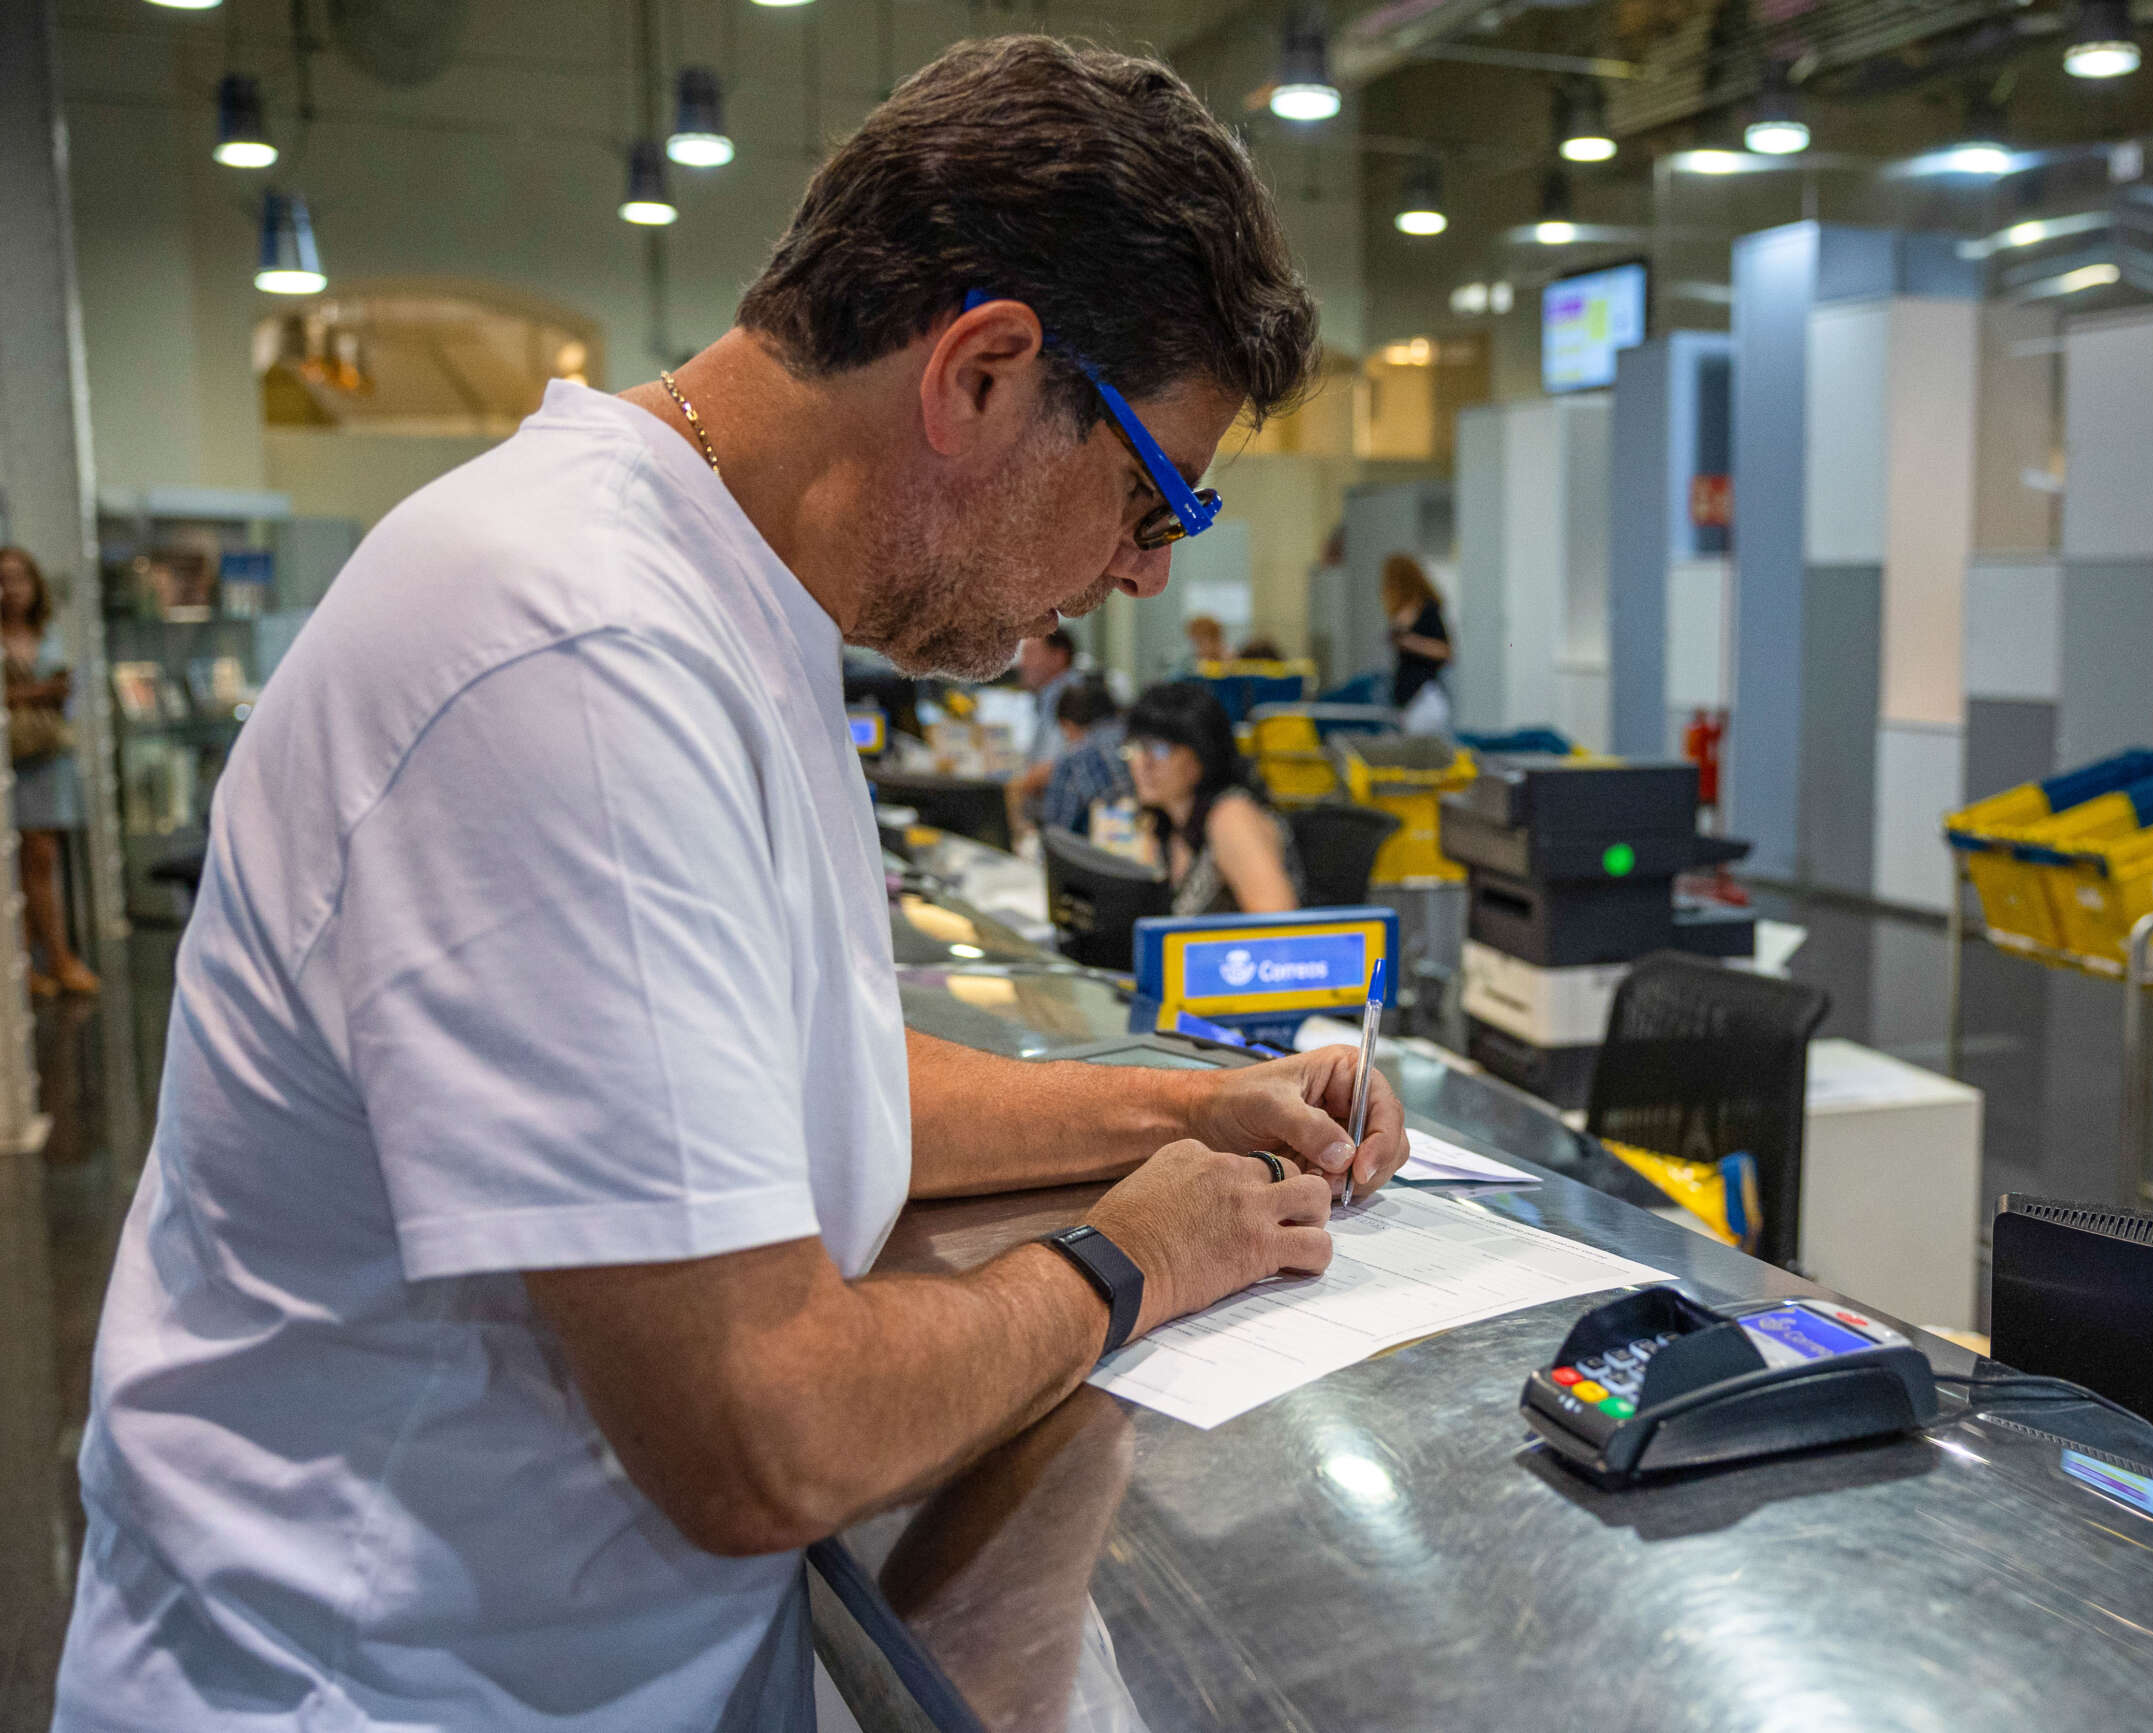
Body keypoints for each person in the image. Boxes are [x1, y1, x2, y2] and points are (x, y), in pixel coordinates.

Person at [55, 39, 1406, 1733]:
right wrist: (1130, 1260)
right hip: (375, 1687)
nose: (1141, 565)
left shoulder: (709, 597)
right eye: (1153, 493)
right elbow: (763, 1432)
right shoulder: (578, 647)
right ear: (983, 371)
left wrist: (1195, 1107)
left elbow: (768, 1078)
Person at [2, 547, 98, 997]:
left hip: (48, 757)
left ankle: (53, 956)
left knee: (42, 860)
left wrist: (36, 692)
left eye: (20, 577)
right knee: (17, 864)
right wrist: (37, 691)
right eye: (5, 578)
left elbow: (66, 691)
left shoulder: (48, 631)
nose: (13, 588)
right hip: (12, 760)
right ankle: (34, 962)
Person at [1123, 680, 1300, 915]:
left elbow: (1280, 926)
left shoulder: (1232, 816)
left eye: (1159, 748)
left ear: (1203, 752)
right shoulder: (1171, 826)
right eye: (1136, 747)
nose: (1143, 763)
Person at [1037, 671, 1130, 837]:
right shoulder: (1139, 745)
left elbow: (1057, 835)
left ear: (1068, 725)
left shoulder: (1074, 762)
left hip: (1094, 857)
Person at [1009, 626, 1080, 816]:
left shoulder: (1069, 696)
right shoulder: (1049, 695)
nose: (1022, 663)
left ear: (1058, 657)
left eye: (1030, 653)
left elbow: (1057, 765)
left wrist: (1012, 789)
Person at [1382, 552, 1452, 735]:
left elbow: (1445, 651)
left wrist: (1411, 642)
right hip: (1406, 696)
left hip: (1424, 695)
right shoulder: (1401, 613)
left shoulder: (1428, 610)